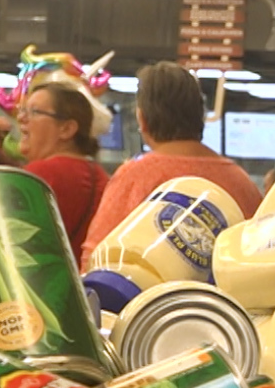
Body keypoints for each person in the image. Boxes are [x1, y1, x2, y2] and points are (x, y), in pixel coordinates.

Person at [81, 61, 262, 263]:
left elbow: (96, 259)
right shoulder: (241, 182)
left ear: (142, 119)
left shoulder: (135, 177)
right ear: (200, 116)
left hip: (149, 295)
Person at [17, 78, 112, 247]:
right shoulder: (101, 177)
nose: (21, 118)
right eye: (23, 110)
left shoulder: (40, 176)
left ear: (67, 129)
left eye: (34, 112)